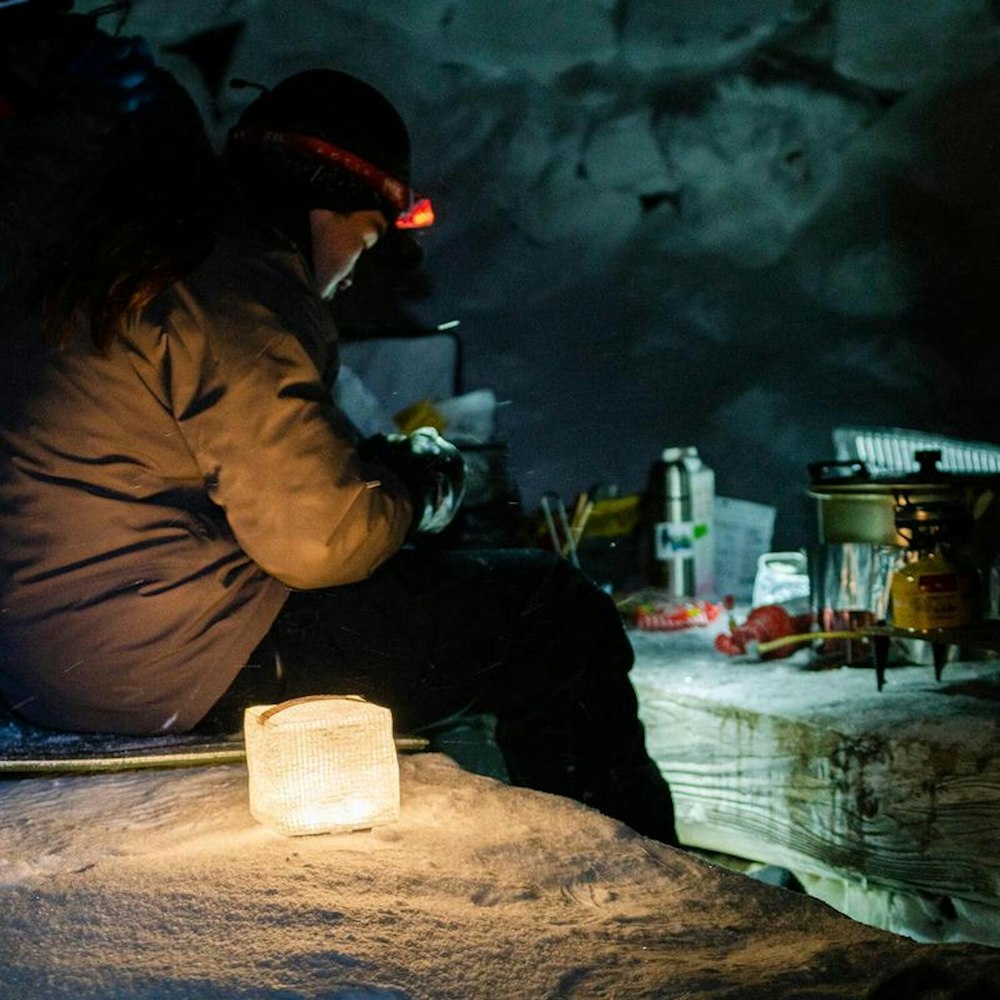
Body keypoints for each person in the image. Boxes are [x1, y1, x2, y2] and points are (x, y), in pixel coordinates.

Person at [0, 59, 680, 846]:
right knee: (551, 610)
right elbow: (320, 540)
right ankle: (632, 862)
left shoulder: (136, 259)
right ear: (330, 209)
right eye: (367, 237)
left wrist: (377, 473)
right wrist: (421, 490)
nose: (356, 269)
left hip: (54, 653)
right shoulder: (233, 284)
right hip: (157, 662)